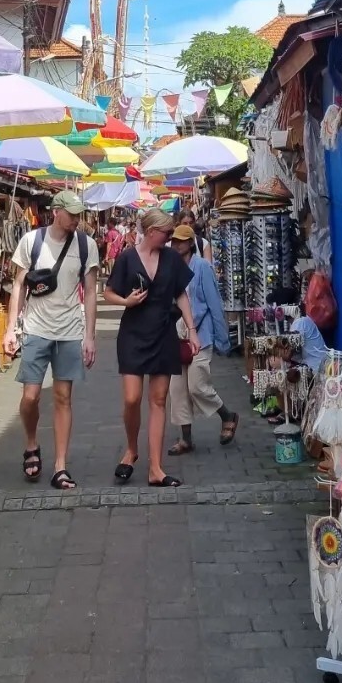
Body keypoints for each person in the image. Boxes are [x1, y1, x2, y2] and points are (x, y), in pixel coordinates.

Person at [3, 188, 98, 491]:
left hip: (69, 330)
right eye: (71, 214)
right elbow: (18, 286)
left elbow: (91, 292)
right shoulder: (32, 241)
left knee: (62, 397)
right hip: (36, 328)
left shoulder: (86, 245)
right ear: (56, 212)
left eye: (79, 214)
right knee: (30, 396)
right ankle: (31, 443)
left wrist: (90, 336)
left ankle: (60, 466)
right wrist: (10, 328)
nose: (76, 220)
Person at [104, 206, 200, 488]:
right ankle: (131, 449)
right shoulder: (127, 258)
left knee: (158, 400)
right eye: (167, 233)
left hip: (163, 333)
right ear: (151, 231)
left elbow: (180, 295)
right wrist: (126, 302)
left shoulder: (171, 258)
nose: (170, 238)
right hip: (133, 334)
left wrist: (192, 330)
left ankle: (156, 468)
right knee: (131, 398)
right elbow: (108, 292)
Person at [167, 223, 239, 456]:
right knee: (177, 390)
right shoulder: (171, 267)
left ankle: (227, 416)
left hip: (201, 334)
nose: (177, 244)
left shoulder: (202, 267)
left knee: (197, 386)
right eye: (174, 240)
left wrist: (223, 339)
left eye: (181, 241)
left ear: (190, 243)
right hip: (176, 335)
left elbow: (214, 304)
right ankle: (186, 439)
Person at [270, 284, 329, 375]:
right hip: (314, 366)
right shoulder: (300, 321)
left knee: (275, 362)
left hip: (316, 369)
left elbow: (287, 355)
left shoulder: (300, 323)